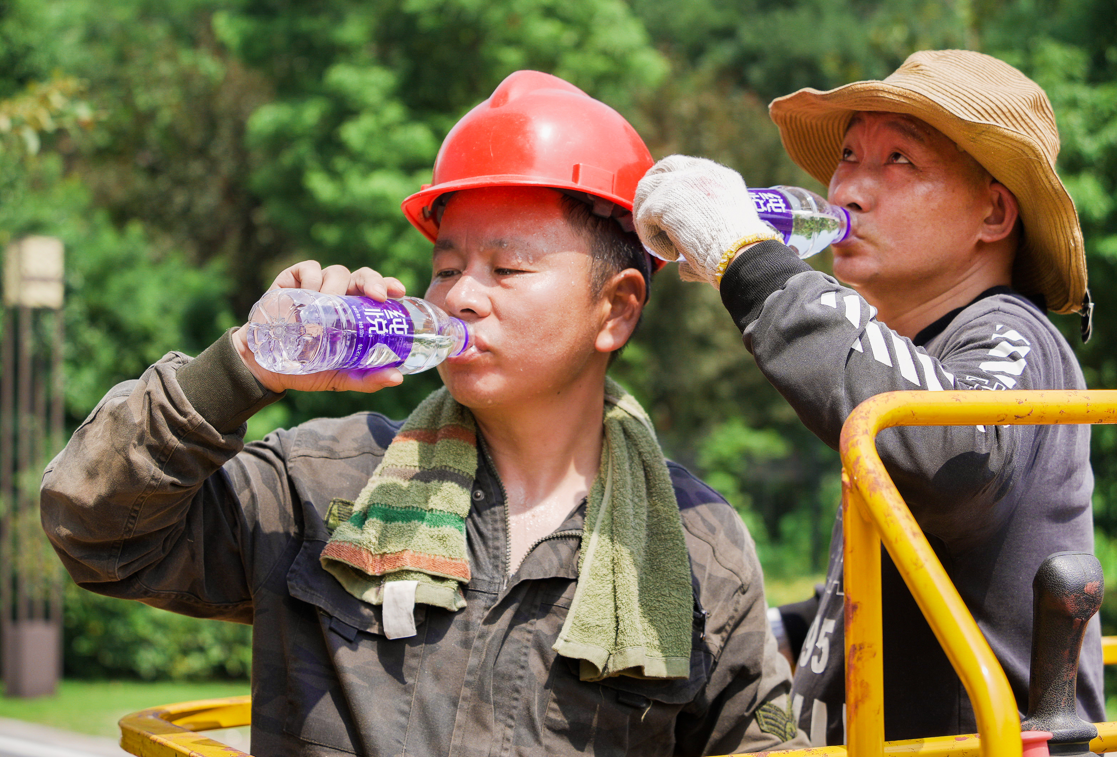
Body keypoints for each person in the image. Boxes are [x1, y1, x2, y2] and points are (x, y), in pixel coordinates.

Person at [41, 70, 806, 756]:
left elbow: (758, 742)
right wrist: (245, 363)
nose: (460, 296)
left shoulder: (695, 545)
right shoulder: (324, 483)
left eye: (506, 267)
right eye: (446, 268)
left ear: (617, 309)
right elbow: (96, 529)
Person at [632, 49, 1103, 745]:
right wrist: (759, 632)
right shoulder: (907, 359)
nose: (846, 189)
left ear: (993, 213)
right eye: (848, 154)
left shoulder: (1011, 336)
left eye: (898, 161)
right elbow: (871, 605)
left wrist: (746, 258)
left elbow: (951, 456)